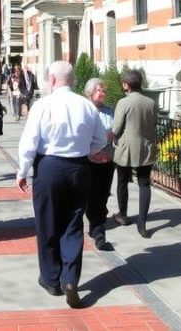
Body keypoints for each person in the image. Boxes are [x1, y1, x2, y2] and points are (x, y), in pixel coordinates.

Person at [16, 60, 107, 309]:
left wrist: (22, 170)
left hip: (50, 167)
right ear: (73, 80)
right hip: (79, 168)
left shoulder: (42, 105)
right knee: (73, 224)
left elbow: (29, 141)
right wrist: (85, 150)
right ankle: (70, 279)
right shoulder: (87, 106)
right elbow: (100, 140)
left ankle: (51, 279)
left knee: (47, 223)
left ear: (53, 80)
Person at [112, 69, 158, 238]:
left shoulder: (123, 103)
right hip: (146, 148)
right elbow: (154, 123)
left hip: (126, 149)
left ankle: (123, 215)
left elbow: (116, 128)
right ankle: (142, 223)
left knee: (122, 182)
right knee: (144, 184)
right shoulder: (150, 102)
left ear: (126, 85)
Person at [83, 78, 116, 251]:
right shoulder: (83, 110)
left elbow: (114, 133)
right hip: (89, 160)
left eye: (104, 90)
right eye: (98, 90)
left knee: (103, 194)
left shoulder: (110, 111)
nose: (102, 93)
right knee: (91, 195)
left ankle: (97, 225)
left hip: (107, 159)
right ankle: (98, 231)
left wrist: (105, 141)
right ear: (90, 92)